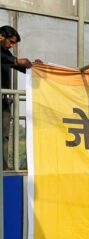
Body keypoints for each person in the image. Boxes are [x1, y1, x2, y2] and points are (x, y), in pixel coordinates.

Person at [1, 25, 39, 169]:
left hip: (4, 100)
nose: (11, 46)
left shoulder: (6, 53)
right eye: (10, 42)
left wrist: (34, 66)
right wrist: (16, 61)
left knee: (4, 135)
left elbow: (18, 65)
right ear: (1, 36)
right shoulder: (4, 54)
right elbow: (10, 60)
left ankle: (3, 166)